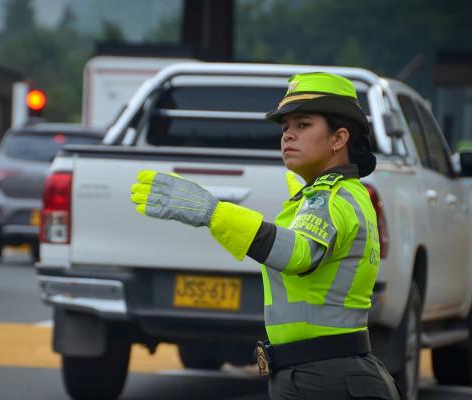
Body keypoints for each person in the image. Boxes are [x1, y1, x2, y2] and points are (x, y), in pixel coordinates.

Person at [130, 72, 402, 400]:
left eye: (303, 125)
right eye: (285, 127)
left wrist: (215, 214)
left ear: (338, 138)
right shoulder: (334, 194)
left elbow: (297, 254)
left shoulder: (331, 198)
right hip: (322, 373)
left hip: (323, 377)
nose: (288, 135)